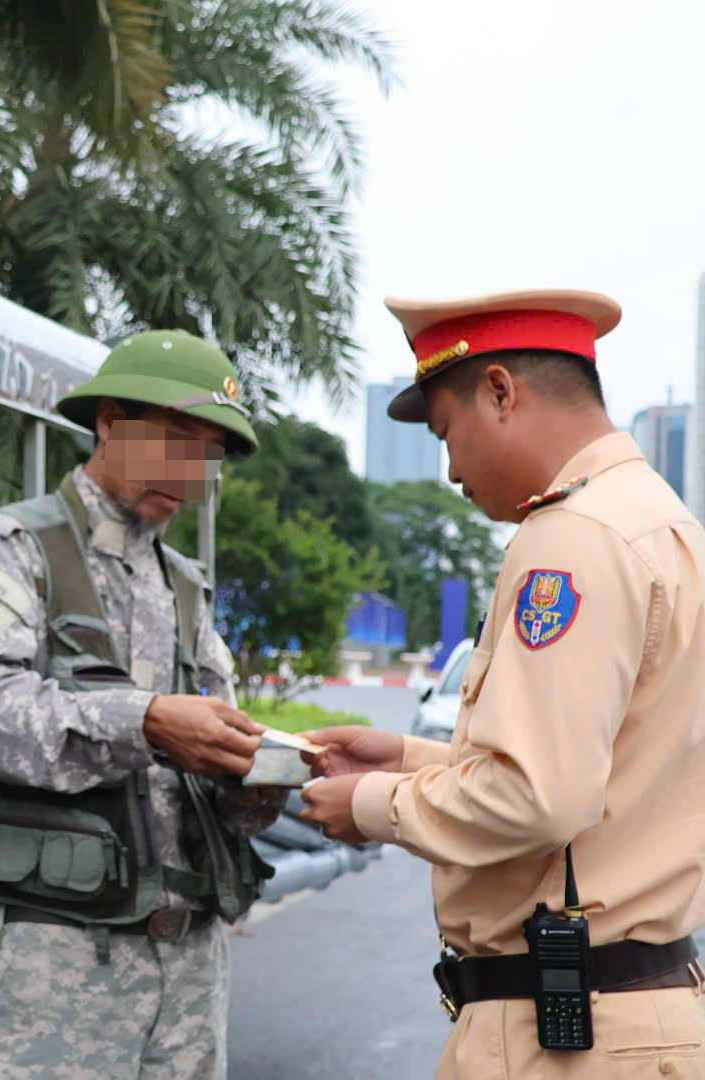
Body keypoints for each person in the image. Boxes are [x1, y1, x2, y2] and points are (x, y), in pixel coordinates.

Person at [299, 289, 705, 1078]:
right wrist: (410, 759)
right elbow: (607, 774)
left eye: (448, 434)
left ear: (499, 392)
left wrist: (370, 804)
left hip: (569, 1035)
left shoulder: (571, 539)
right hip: (635, 1012)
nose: (449, 469)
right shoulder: (663, 523)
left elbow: (540, 797)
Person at [0, 329, 289, 1079]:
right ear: (110, 422)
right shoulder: (12, 546)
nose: (188, 474)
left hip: (191, 964)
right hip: (63, 961)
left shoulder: (186, 585)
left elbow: (221, 765)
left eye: (207, 454)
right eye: (175, 441)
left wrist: (266, 773)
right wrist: (146, 721)